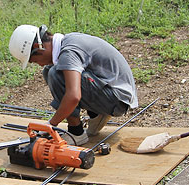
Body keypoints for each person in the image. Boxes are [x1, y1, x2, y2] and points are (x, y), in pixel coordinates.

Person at [9, 24, 138, 145]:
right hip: (112, 93)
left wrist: (50, 125)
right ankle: (97, 114)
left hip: (117, 100)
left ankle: (76, 133)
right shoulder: (68, 40)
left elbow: (73, 96)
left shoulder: (69, 52)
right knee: (49, 70)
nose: (40, 64)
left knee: (54, 73)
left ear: (39, 47)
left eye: (35, 61)